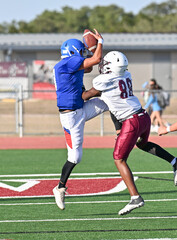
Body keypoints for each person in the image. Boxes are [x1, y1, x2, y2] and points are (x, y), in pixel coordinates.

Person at [82, 51, 177, 215]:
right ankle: (174, 161)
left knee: (119, 159)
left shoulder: (104, 80)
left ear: (111, 67)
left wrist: (74, 82)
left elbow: (85, 96)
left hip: (131, 121)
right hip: (143, 116)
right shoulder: (126, 74)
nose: (102, 66)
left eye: (106, 64)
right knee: (143, 144)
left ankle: (135, 198)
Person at [52, 29, 109, 210]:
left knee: (109, 101)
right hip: (70, 117)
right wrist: (98, 42)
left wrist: (90, 48)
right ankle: (60, 187)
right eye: (81, 51)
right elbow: (95, 61)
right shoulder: (66, 63)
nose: (84, 54)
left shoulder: (70, 65)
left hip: (81, 108)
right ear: (73, 53)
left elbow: (90, 65)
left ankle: (121, 130)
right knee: (75, 157)